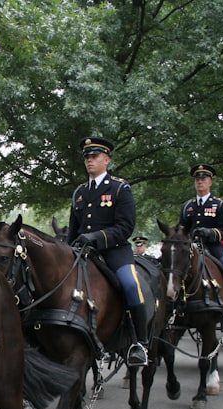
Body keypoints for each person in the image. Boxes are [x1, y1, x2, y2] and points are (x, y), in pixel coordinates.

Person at [66, 136, 148, 367]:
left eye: (95, 156)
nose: (90, 160)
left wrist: (95, 237)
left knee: (131, 285)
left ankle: (140, 342)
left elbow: (125, 228)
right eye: (87, 157)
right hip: (83, 253)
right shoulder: (79, 193)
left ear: (107, 160)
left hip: (114, 251)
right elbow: (73, 231)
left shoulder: (120, 188)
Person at [178, 164, 223, 324]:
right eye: (197, 179)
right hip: (192, 247)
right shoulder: (187, 206)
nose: (199, 182)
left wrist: (209, 233)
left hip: (213, 247)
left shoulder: (219, 205)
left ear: (210, 182)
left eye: (203, 179)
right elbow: (181, 228)